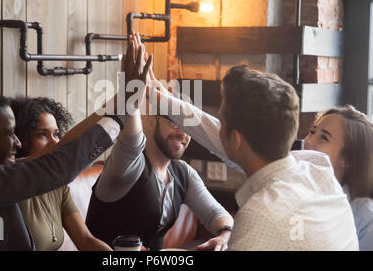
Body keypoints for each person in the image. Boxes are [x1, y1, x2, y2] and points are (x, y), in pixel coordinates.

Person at [0, 34, 152, 250]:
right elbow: (59, 164)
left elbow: (62, 149)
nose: (17, 142)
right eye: (9, 134)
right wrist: (124, 110)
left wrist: (122, 101)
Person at [148, 64, 358, 250]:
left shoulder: (261, 215)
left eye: (223, 121)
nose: (218, 127)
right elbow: (213, 132)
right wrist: (161, 99)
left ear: (236, 139)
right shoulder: (317, 167)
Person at [86, 35, 234, 251]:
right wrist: (133, 89)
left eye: (187, 126)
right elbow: (131, 141)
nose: (182, 132)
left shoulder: (183, 173)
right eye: (173, 121)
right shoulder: (128, 166)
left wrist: (223, 237)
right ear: (148, 120)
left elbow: (216, 214)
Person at [10, 96, 112, 251]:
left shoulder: (58, 184)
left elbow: (85, 240)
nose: (54, 142)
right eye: (42, 135)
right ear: (21, 140)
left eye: (56, 134)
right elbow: (64, 147)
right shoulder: (9, 178)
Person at [304, 105, 373, 250]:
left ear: (347, 160)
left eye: (323, 137)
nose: (308, 141)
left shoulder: (365, 217)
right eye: (312, 132)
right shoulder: (288, 190)